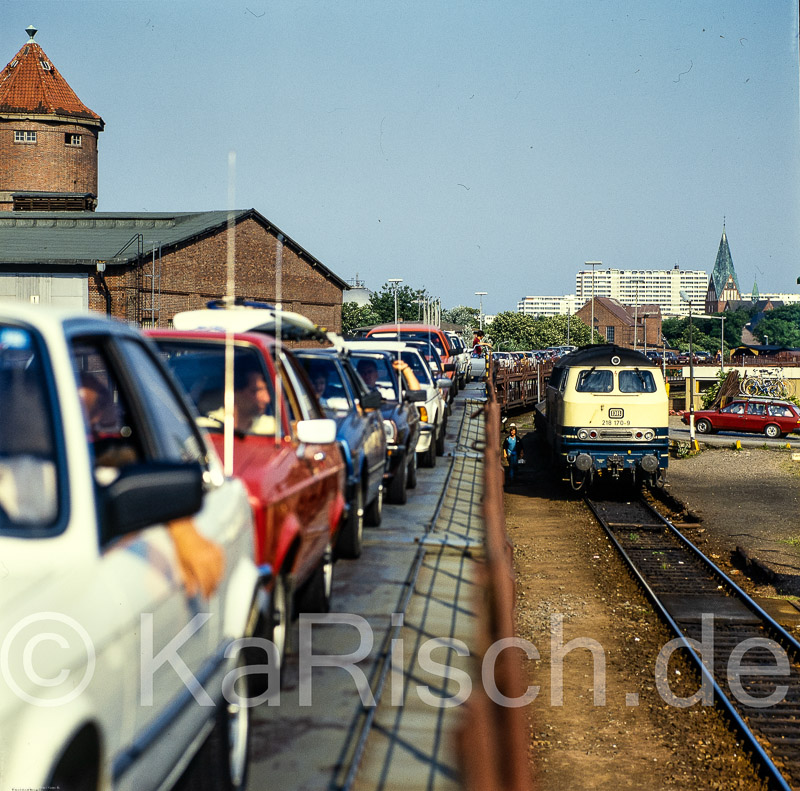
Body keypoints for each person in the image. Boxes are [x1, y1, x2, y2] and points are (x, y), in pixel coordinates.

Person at [205, 361, 274, 435]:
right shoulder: (206, 428)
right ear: (234, 392)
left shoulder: (273, 429)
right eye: (255, 391)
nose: (266, 399)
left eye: (266, 390)